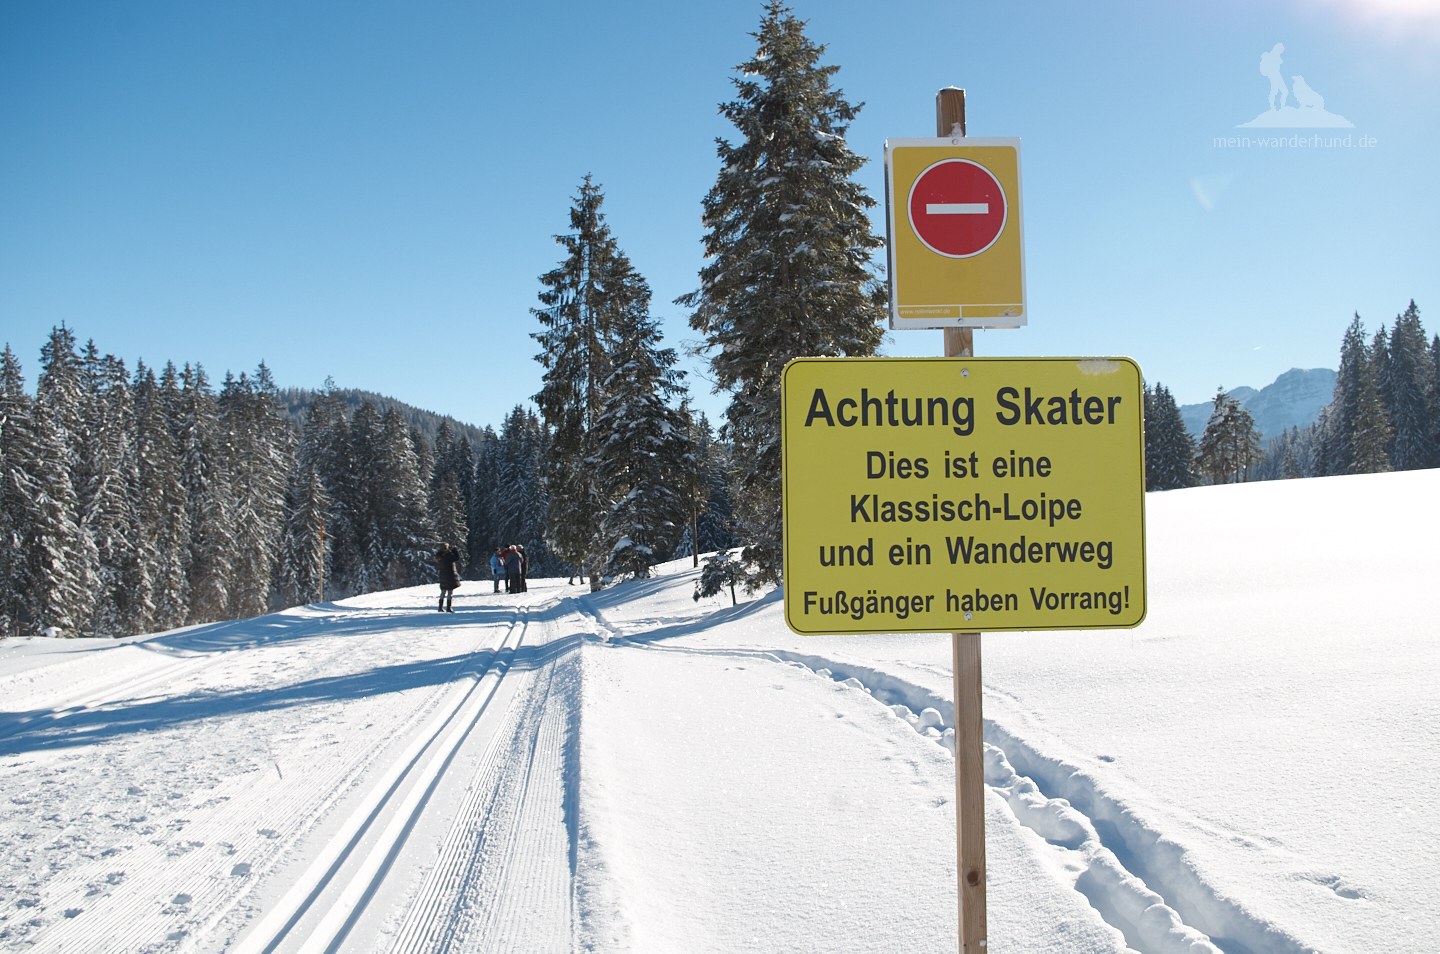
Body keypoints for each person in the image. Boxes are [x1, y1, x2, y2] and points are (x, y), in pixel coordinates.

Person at [435, 543, 461, 612]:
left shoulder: (439, 556)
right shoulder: (448, 556)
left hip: (442, 575)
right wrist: (454, 550)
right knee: (450, 592)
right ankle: (448, 608)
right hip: (449, 575)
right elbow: (456, 557)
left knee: (443, 591)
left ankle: (440, 607)